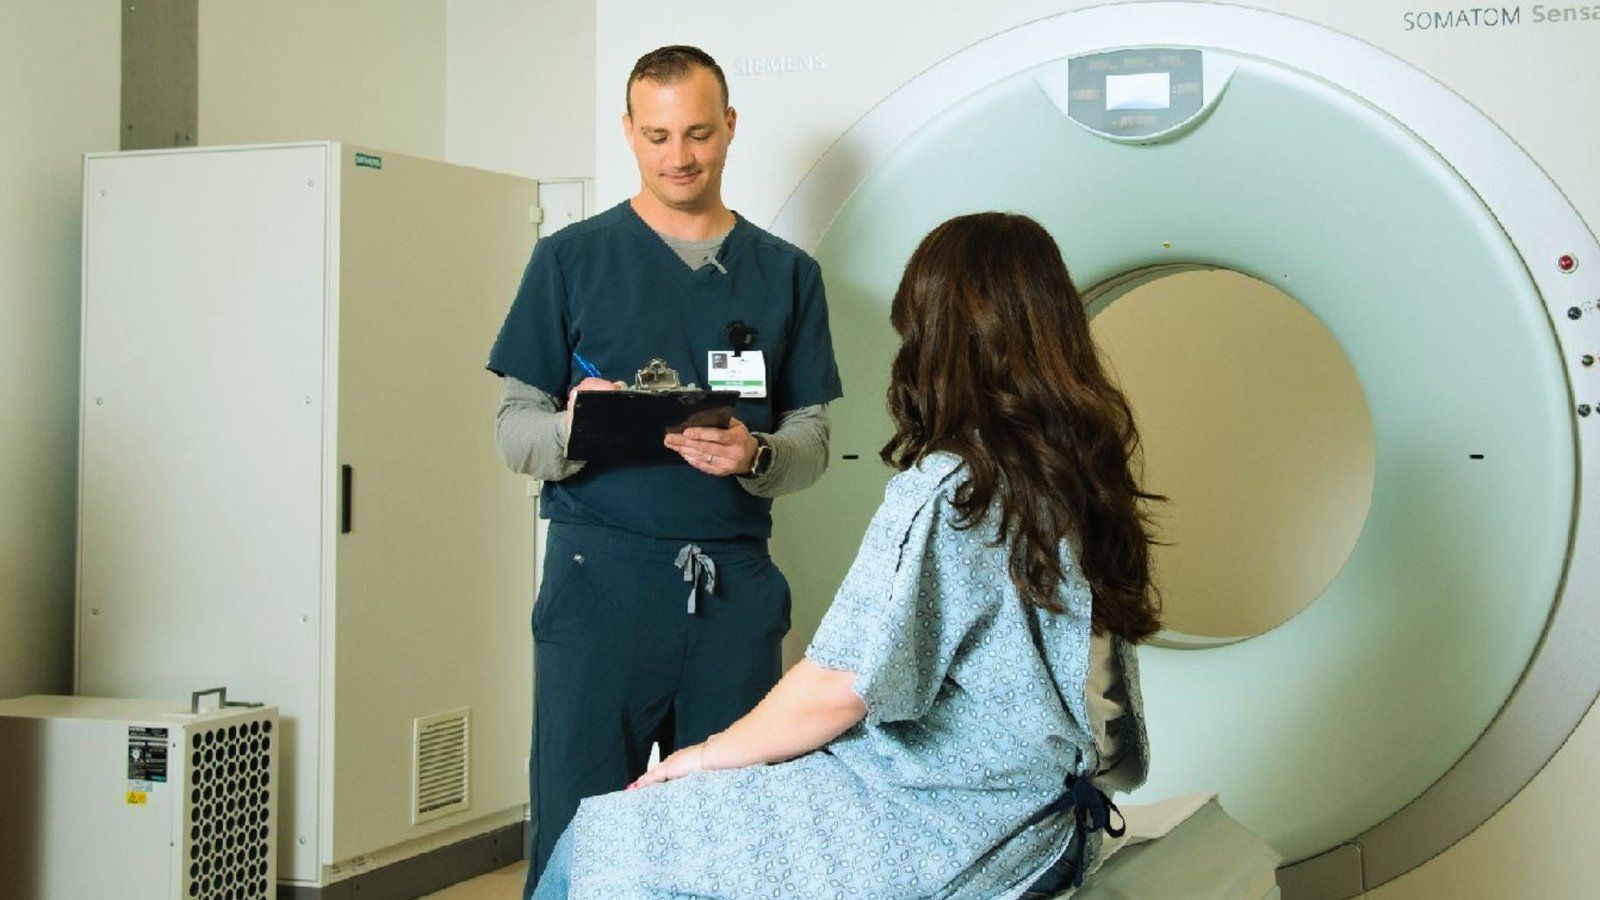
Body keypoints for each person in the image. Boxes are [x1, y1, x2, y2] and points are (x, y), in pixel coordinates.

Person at [529, 211, 1164, 899]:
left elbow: (839, 687)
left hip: (937, 815)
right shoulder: (1079, 474)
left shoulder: (954, 490)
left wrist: (701, 758)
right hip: (1039, 819)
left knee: (599, 838)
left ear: (935, 337)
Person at [485, 44, 844, 894]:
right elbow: (513, 432)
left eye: (696, 133)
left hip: (731, 584)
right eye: (656, 137)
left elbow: (814, 438)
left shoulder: (787, 275)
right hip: (598, 578)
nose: (678, 157)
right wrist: (579, 424)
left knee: (730, 833)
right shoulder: (571, 260)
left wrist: (757, 455)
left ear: (730, 126)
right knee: (582, 819)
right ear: (628, 134)